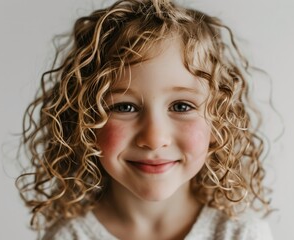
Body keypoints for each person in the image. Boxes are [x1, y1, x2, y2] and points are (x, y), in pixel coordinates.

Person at [16, 0, 274, 239]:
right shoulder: (68, 236)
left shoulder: (241, 233)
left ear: (220, 119)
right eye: (125, 107)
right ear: (84, 121)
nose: (154, 138)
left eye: (181, 105)